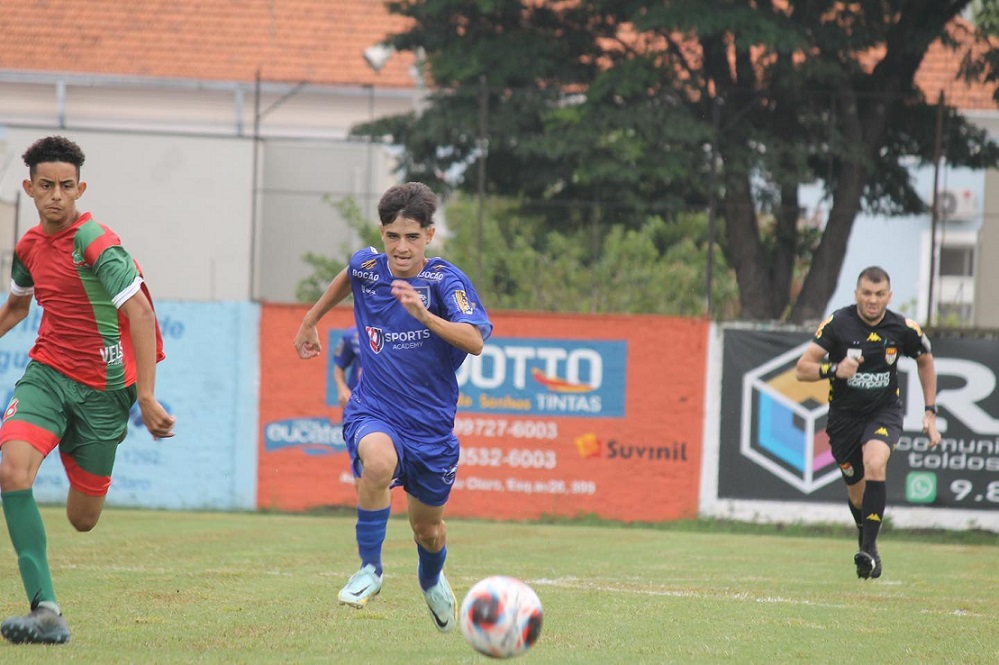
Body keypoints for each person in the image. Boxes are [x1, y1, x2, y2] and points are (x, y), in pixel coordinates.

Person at [0, 136, 176, 644]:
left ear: (81, 188)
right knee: (12, 470)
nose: (56, 195)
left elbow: (139, 311)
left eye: (66, 186)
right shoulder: (29, 247)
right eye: (46, 186)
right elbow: (16, 307)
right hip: (48, 375)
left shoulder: (97, 243)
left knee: (82, 519)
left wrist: (145, 395)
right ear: (29, 187)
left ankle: (75, 455)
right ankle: (45, 610)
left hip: (104, 393)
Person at [294, 181, 492, 632]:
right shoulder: (369, 266)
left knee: (428, 530)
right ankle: (369, 569)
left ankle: (431, 578)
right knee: (377, 462)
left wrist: (425, 315)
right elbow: (349, 273)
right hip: (375, 409)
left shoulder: (445, 281)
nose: (401, 247)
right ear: (382, 233)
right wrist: (311, 319)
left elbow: (475, 341)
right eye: (392, 236)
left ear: (430, 235)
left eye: (412, 237)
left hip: (431, 429)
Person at [795, 266, 940, 580]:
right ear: (856, 294)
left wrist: (930, 411)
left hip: (883, 412)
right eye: (866, 293)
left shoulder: (904, 328)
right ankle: (866, 542)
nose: (872, 300)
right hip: (843, 419)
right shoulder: (837, 324)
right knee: (858, 496)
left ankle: (870, 551)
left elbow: (925, 360)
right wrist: (833, 370)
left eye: (879, 294)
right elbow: (802, 368)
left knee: (875, 462)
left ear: (889, 295)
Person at [331, 326, 362, 407]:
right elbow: (339, 367)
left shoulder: (396, 337)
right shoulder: (352, 336)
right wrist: (342, 389)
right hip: (357, 402)